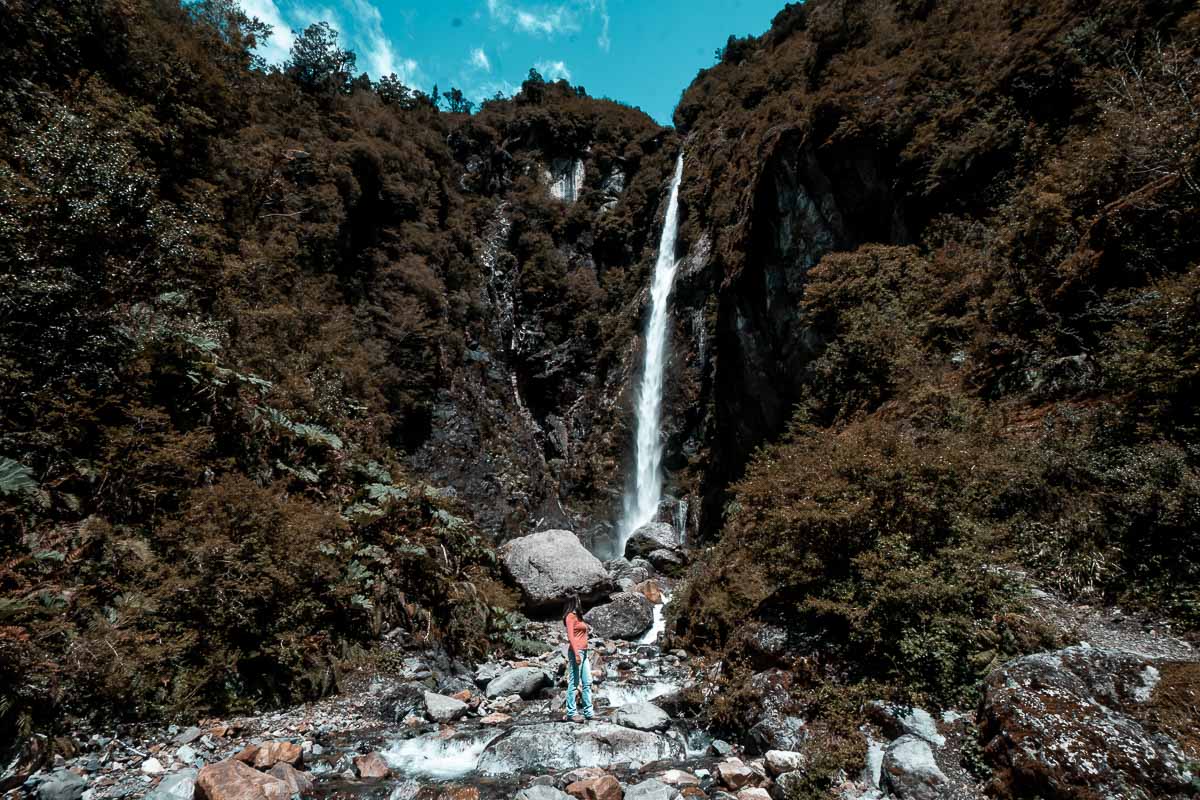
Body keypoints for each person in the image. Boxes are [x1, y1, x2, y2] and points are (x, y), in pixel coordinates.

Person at [562, 594, 594, 722]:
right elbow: (570, 636)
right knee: (574, 682)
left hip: (585, 652)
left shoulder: (579, 617)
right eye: (578, 600)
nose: (580, 602)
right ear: (574, 602)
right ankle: (571, 712)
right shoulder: (570, 616)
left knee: (587, 682)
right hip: (577, 651)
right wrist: (576, 654)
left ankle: (589, 712)